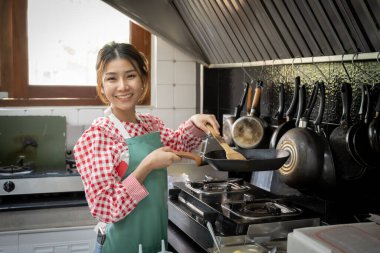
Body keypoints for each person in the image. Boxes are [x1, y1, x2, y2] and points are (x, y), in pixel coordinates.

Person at [73, 42, 220, 253]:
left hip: (154, 242)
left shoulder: (150, 124)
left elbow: (180, 143)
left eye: (130, 76)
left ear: (143, 80)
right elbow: (107, 209)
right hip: (120, 246)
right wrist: (147, 166)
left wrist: (195, 123)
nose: (122, 86)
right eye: (112, 78)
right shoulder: (99, 136)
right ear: (102, 85)